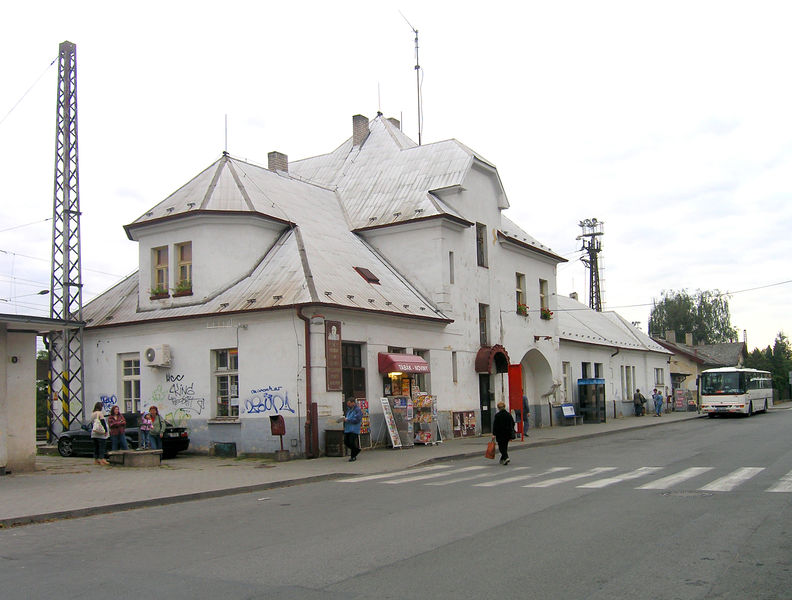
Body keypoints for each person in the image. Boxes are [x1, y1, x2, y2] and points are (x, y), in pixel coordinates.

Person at [492, 401, 515, 465]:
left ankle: (506, 457)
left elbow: (495, 425)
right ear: (504, 407)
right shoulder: (508, 414)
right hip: (507, 433)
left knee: (501, 447)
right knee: (505, 446)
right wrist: (511, 429)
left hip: (500, 434)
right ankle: (503, 459)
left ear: (498, 408)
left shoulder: (497, 415)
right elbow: (512, 423)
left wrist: (494, 434)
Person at [342, 397, 362, 462]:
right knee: (346, 442)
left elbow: (357, 419)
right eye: (348, 404)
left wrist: (348, 420)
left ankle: (353, 456)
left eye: (349, 403)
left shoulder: (357, 410)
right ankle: (356, 450)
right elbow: (347, 417)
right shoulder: (348, 410)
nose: (348, 405)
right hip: (348, 428)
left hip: (354, 429)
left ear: (353, 403)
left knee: (352, 442)